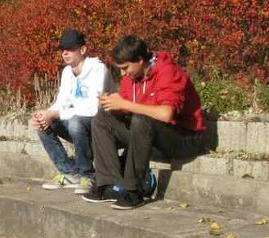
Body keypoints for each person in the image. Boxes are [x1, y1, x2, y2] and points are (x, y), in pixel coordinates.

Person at [84, 35, 206, 209]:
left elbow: (165, 114)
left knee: (141, 120)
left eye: (125, 68)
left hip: (184, 138)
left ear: (140, 60)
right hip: (149, 135)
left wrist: (125, 104)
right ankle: (110, 185)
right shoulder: (131, 76)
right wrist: (113, 104)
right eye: (120, 69)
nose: (123, 73)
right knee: (102, 118)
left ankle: (135, 190)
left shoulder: (168, 71)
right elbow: (128, 107)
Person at [31, 29, 107, 194]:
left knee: (75, 122)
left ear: (83, 50)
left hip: (98, 127)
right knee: (42, 124)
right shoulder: (67, 72)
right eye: (62, 49)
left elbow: (94, 107)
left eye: (70, 48)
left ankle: (88, 175)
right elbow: (61, 103)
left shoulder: (98, 69)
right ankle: (69, 173)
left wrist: (56, 114)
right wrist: (46, 113)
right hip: (77, 125)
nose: (65, 53)